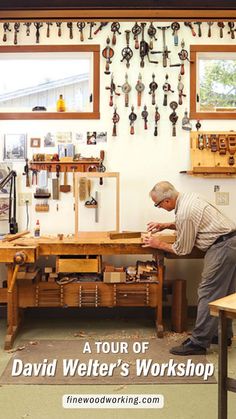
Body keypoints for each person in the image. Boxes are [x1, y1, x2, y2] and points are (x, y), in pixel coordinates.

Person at [142, 181, 236, 355]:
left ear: (167, 201)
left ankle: (199, 343)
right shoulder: (190, 198)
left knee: (208, 293)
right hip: (231, 242)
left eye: (158, 204)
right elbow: (192, 222)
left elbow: (182, 249)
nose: (159, 207)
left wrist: (158, 243)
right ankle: (220, 334)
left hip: (222, 248)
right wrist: (166, 225)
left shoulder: (185, 211)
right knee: (225, 294)